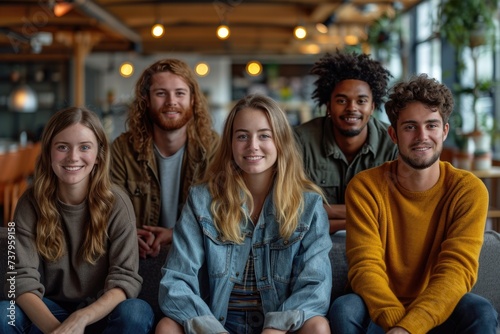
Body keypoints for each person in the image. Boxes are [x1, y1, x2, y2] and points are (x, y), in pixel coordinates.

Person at [329, 74, 498, 334]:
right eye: (410, 127)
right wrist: (399, 324)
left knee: (482, 311)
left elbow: (457, 269)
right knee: (344, 308)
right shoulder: (365, 188)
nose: (422, 136)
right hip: (380, 308)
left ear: (444, 131)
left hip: (439, 306)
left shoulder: (468, 190)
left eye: (431, 126)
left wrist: (411, 327)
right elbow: (365, 266)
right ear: (394, 134)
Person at [155, 94, 332, 334]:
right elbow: (175, 281)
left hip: (278, 324)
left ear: (280, 141)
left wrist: (276, 328)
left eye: (264, 135)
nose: (253, 145)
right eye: (242, 136)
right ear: (230, 143)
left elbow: (316, 286)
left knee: (318, 326)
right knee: (167, 326)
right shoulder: (202, 200)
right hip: (216, 323)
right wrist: (211, 329)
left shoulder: (308, 205)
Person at [0, 107, 154, 333]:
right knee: (5, 314)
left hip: (102, 312)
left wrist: (81, 318)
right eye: (62, 147)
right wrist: (59, 330)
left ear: (99, 155)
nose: (73, 157)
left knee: (136, 312)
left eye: (84, 147)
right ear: (48, 152)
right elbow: (18, 280)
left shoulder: (118, 203)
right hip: (49, 312)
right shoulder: (28, 203)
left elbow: (125, 280)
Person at [110, 58, 219, 258]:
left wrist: (175, 233)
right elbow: (107, 207)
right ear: (146, 100)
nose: (171, 102)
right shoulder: (122, 149)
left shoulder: (214, 147)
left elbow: (223, 209)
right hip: (136, 257)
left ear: (192, 99)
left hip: (196, 257)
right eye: (161, 93)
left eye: (180, 93)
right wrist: (126, 235)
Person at [294, 51, 398, 234]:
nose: (352, 108)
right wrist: (360, 218)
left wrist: (326, 214)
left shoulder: (393, 142)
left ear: (372, 106)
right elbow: (292, 211)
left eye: (361, 101)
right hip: (311, 246)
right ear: (328, 106)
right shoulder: (300, 141)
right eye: (342, 100)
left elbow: (397, 212)